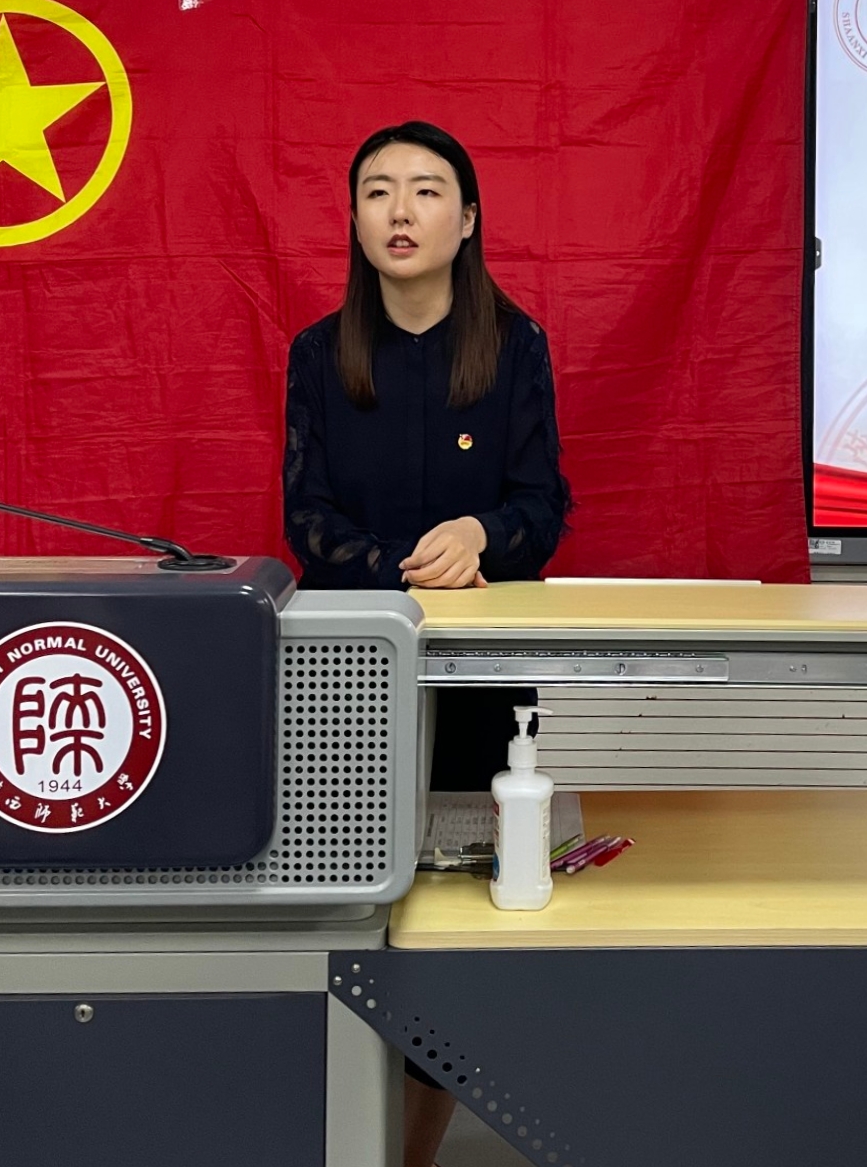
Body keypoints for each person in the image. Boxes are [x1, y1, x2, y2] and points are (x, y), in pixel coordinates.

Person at [283, 119, 571, 1167]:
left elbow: (543, 506)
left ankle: (409, 1150)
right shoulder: (319, 354)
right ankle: (330, 1127)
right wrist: (398, 572)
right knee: (348, 899)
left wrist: (482, 535)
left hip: (483, 678)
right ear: (356, 221)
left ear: (468, 218)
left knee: (454, 909)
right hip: (352, 672)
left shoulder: (516, 345)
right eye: (377, 191)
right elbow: (305, 516)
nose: (400, 211)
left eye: (426, 189)